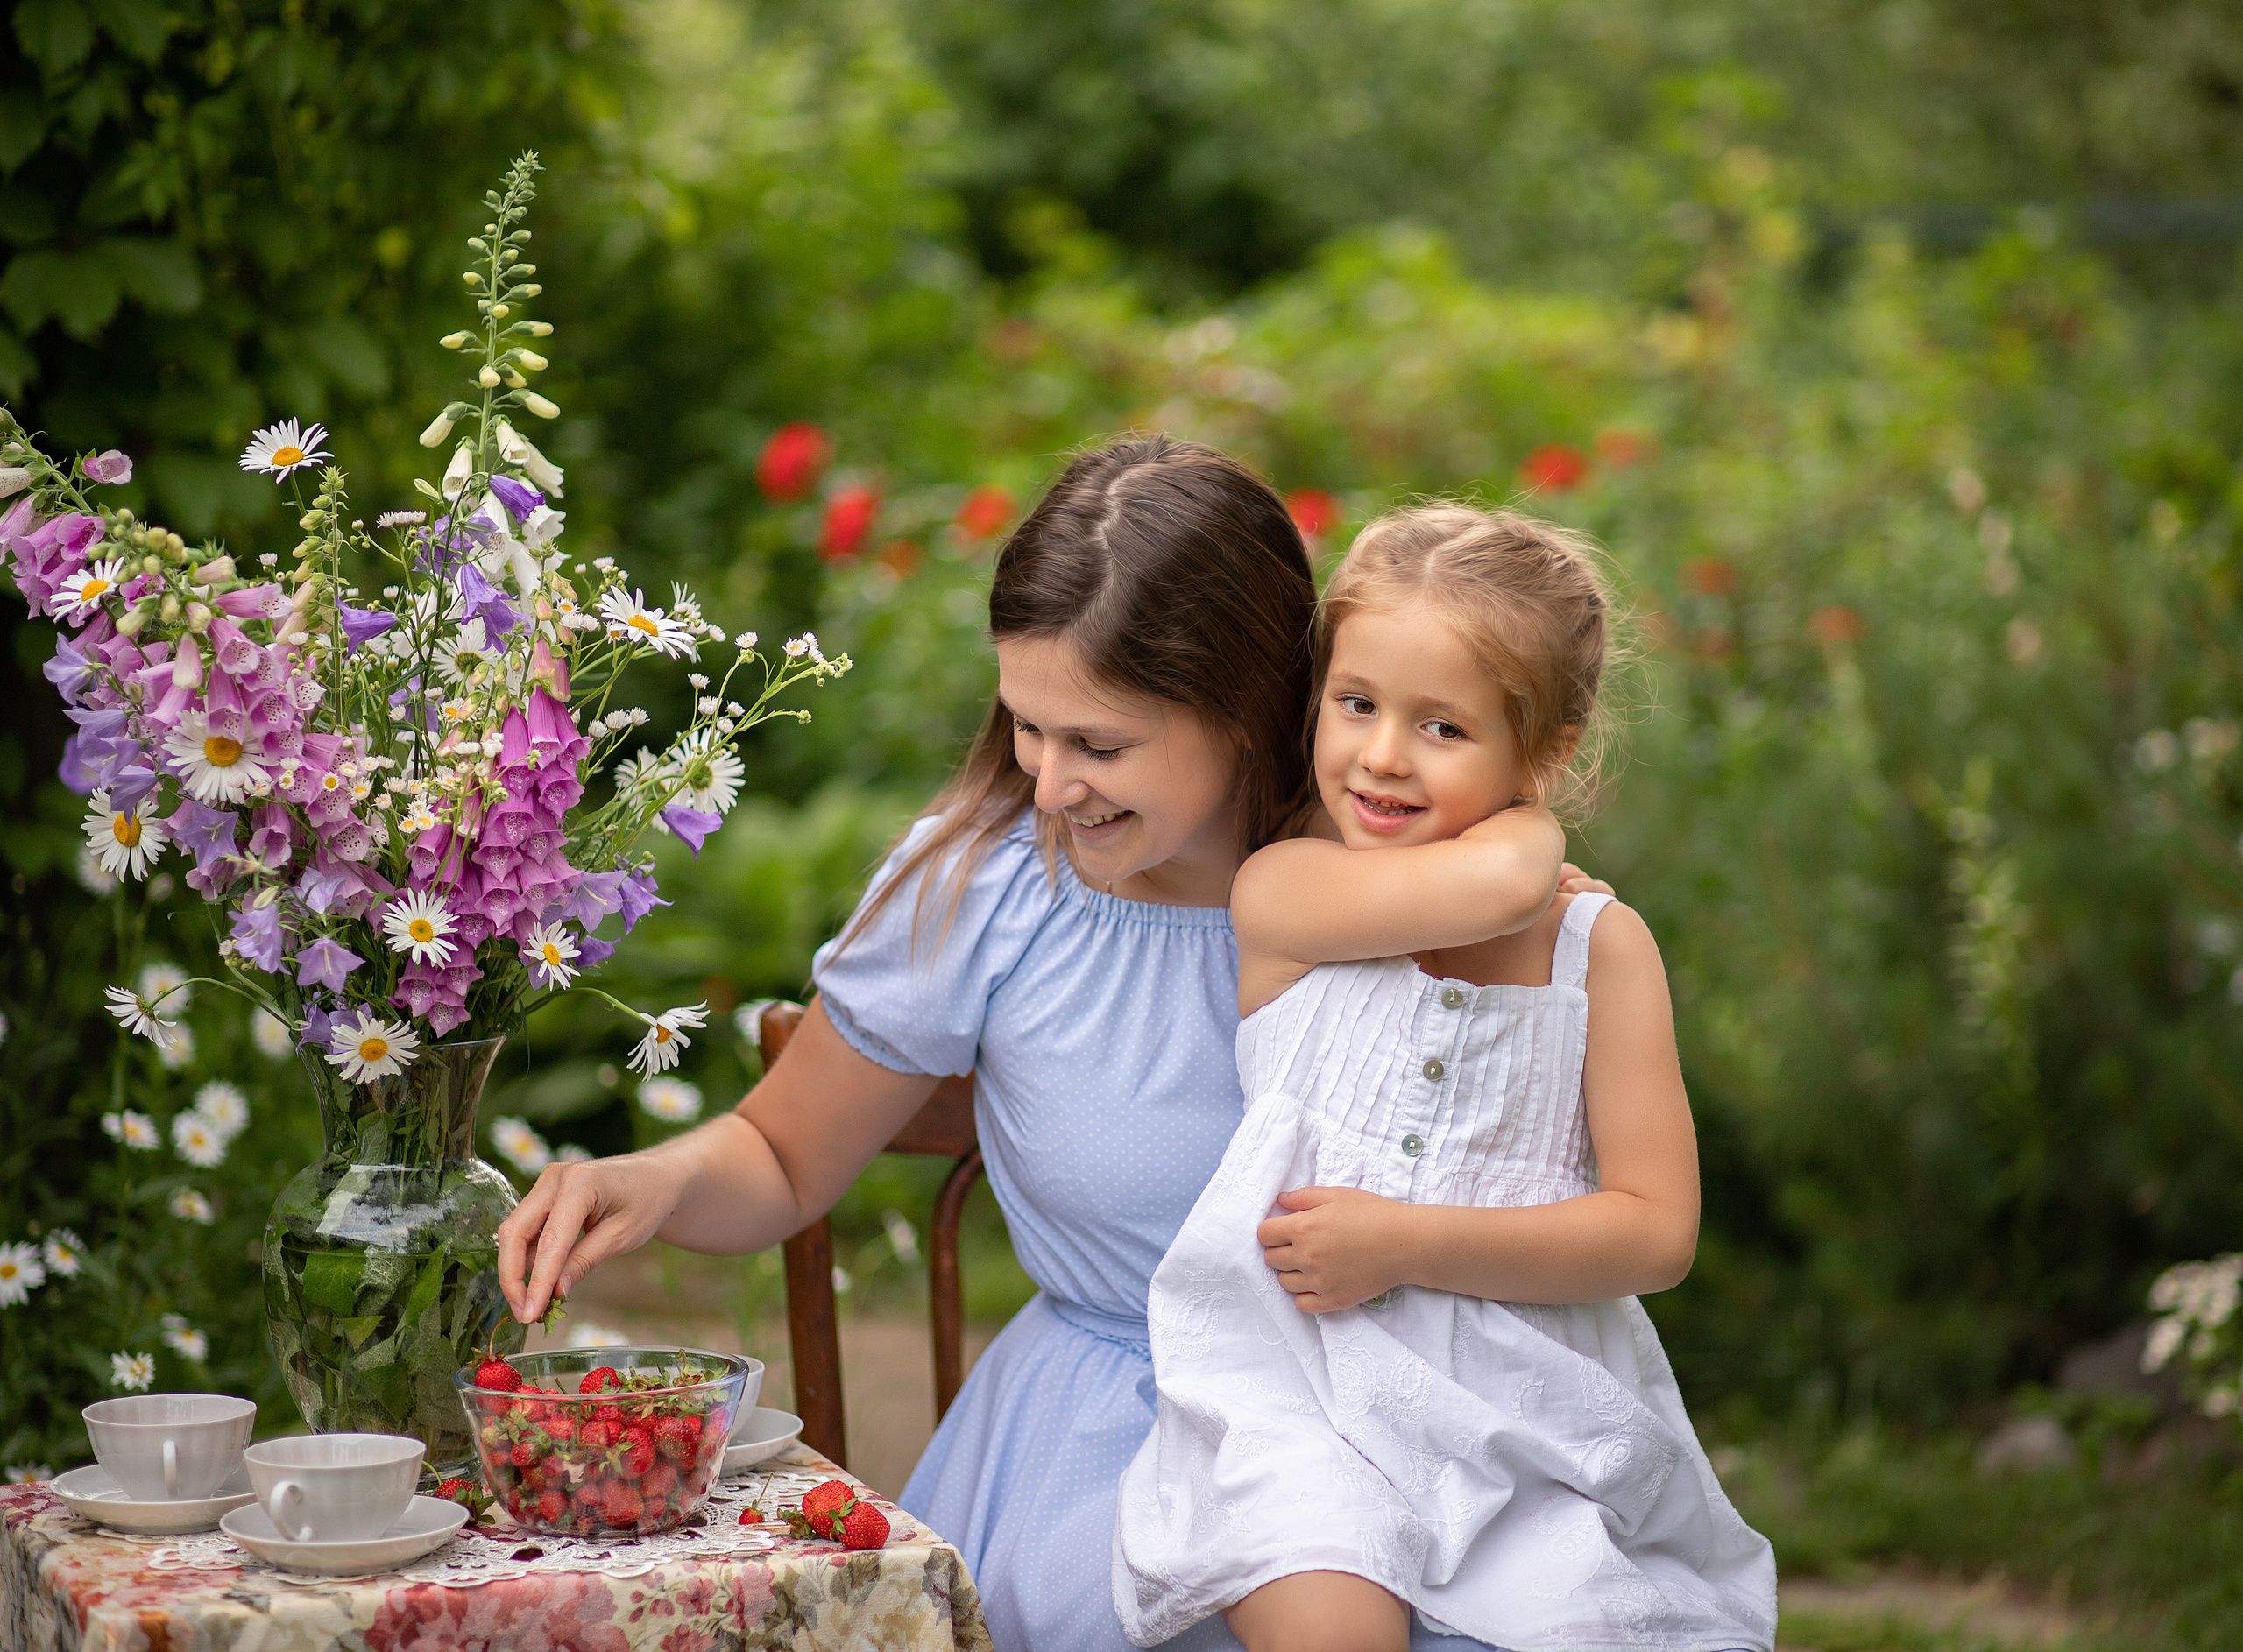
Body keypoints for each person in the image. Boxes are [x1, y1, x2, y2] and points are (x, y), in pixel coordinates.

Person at [496, 437, 1603, 1650]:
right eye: (1029, 726)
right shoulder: (990, 886)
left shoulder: (1409, 884)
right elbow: (785, 1152)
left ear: (1243, 708)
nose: (1050, 784)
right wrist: (644, 1179)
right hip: (1120, 1444)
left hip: (1419, 1415)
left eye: (1101, 745)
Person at [1113, 505, 1777, 1652]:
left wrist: (1406, 1241)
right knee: (1329, 1624)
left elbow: (1655, 1234)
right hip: (1299, 1393)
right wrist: (1518, 830)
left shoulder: (1601, 953)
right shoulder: (1290, 890)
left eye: (1445, 727)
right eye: (1357, 701)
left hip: (1524, 1419)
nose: (1380, 756)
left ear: (1550, 749)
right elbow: (1503, 879)